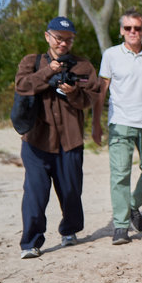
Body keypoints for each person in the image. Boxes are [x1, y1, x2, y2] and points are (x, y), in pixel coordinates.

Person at [15, 16, 100, 259]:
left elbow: (90, 98)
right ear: (47, 36)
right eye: (59, 38)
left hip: (70, 141)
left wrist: (73, 93)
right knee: (35, 193)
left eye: (69, 40)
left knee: (71, 191)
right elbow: (22, 86)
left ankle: (70, 231)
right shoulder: (31, 62)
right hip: (36, 141)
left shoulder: (83, 66)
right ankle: (31, 242)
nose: (63, 44)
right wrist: (47, 73)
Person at [92, 8, 142, 245]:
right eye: (128, 28)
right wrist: (96, 123)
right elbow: (101, 90)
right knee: (120, 175)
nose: (133, 32)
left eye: (137, 28)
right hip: (120, 123)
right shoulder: (111, 55)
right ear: (121, 31)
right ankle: (120, 226)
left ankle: (132, 205)